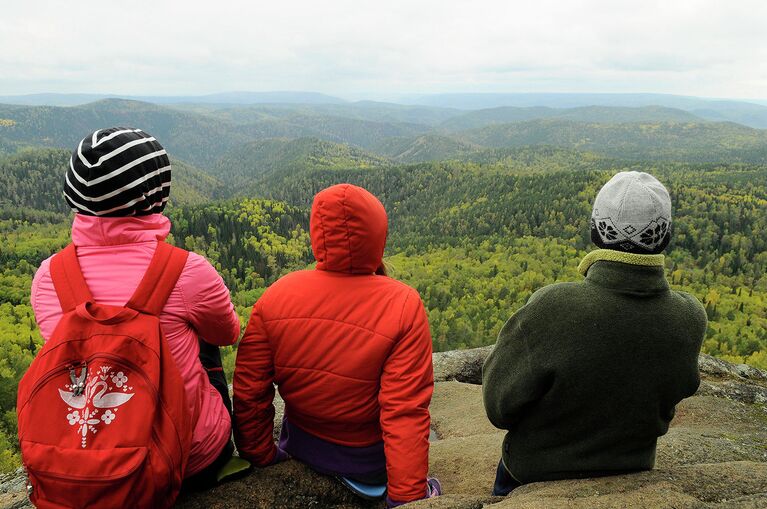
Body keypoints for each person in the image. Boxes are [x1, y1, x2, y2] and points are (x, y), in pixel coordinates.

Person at [30, 127, 241, 488]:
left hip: (92, 466)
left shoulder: (50, 277)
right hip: (188, 461)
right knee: (205, 338)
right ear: (156, 195)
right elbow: (229, 332)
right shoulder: (186, 270)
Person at [482, 171, 707, 495]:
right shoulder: (689, 318)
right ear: (666, 237)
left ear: (595, 231)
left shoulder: (552, 307)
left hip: (530, 477)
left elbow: (498, 406)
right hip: (634, 473)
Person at [233, 183, 441, 507]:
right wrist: (408, 499)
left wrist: (261, 455)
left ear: (318, 233)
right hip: (368, 468)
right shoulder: (402, 303)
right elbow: (404, 412)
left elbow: (249, 390)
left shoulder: (277, 294)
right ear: (377, 234)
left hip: (300, 447)